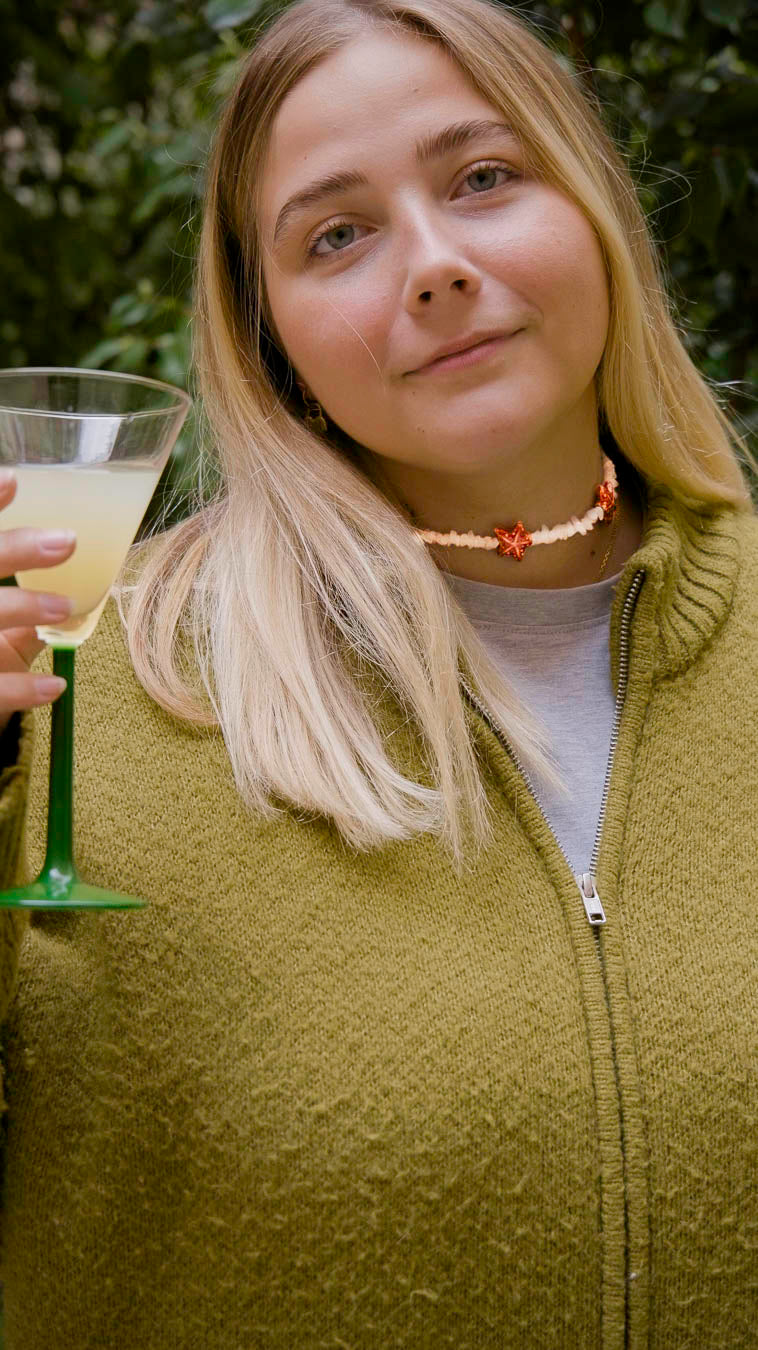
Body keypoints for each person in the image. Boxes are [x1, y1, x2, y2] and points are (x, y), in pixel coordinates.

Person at [0, 0, 756, 1345]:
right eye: (334, 234)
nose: (432, 264)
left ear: (589, 206)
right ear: (268, 333)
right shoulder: (86, 691)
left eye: (483, 177)